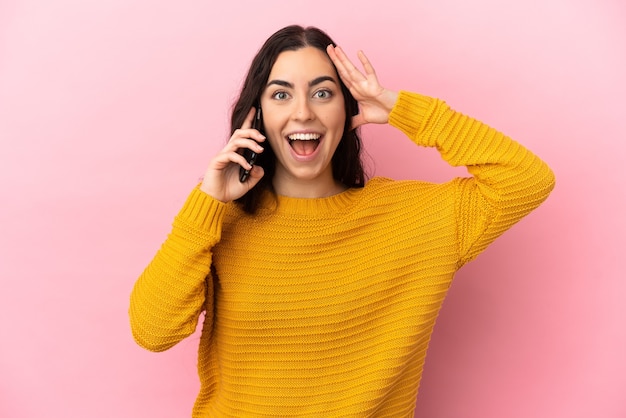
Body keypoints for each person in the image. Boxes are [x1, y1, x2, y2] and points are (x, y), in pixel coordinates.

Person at [129, 24, 555, 417]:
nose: (303, 113)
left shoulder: (415, 219)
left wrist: (402, 109)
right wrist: (208, 201)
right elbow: (152, 331)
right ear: (255, 115)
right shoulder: (219, 223)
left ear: (348, 109)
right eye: (280, 94)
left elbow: (526, 180)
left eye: (322, 93)